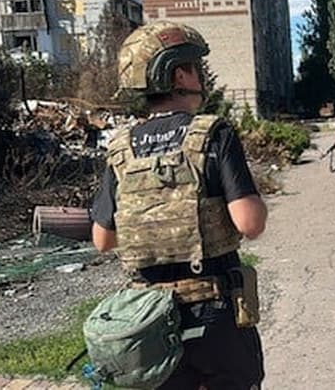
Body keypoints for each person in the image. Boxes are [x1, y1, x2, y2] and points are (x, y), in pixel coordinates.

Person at [90, 21, 267, 390]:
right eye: (195, 66)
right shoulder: (212, 133)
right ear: (179, 73)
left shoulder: (120, 149)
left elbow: (103, 239)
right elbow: (249, 223)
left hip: (150, 322)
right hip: (214, 313)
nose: (201, 75)